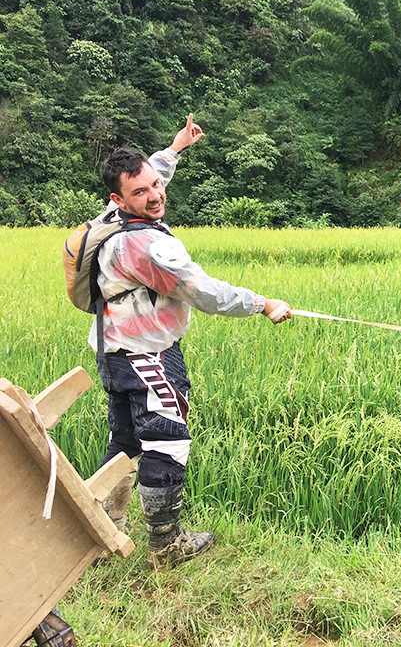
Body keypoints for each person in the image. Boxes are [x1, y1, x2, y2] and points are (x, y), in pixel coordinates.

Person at [93, 115, 292, 571]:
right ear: (119, 198)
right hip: (149, 352)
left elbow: (156, 171)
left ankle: (105, 526)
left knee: (125, 441)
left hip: (114, 349)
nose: (154, 195)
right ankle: (166, 545)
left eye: (153, 185)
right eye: (140, 192)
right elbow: (203, 292)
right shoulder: (148, 246)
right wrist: (263, 303)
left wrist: (175, 148)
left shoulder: (108, 219)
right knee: (167, 441)